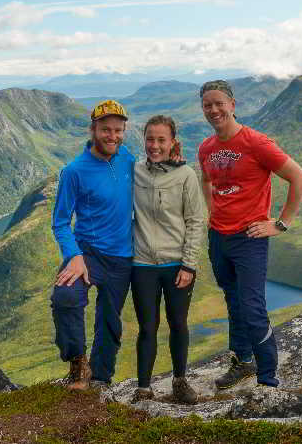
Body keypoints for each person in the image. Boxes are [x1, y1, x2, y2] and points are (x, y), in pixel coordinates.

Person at [197, 80, 302, 389]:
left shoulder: (256, 142)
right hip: (219, 238)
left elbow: (300, 177)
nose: (214, 109)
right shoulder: (206, 147)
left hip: (249, 239)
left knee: (252, 307)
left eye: (220, 103)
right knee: (233, 302)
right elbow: (207, 181)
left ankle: (267, 379)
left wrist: (282, 223)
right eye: (208, 104)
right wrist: (211, 214)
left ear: (233, 105)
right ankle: (242, 363)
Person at [50, 99, 135, 390]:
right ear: (93, 129)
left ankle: (100, 379)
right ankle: (77, 363)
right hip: (87, 254)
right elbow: (60, 222)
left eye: (118, 130)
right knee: (65, 297)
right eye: (105, 130)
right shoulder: (74, 171)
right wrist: (73, 255)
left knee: (110, 320)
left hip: (123, 257)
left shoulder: (128, 159)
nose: (112, 136)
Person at [130, 115, 204, 404]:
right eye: (150, 139)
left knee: (178, 324)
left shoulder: (185, 175)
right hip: (143, 263)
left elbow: (196, 221)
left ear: (173, 141)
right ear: (143, 139)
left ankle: (180, 381)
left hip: (177, 264)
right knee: (147, 327)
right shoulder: (134, 171)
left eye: (162, 139)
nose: (155, 145)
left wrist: (189, 264)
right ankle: (144, 388)